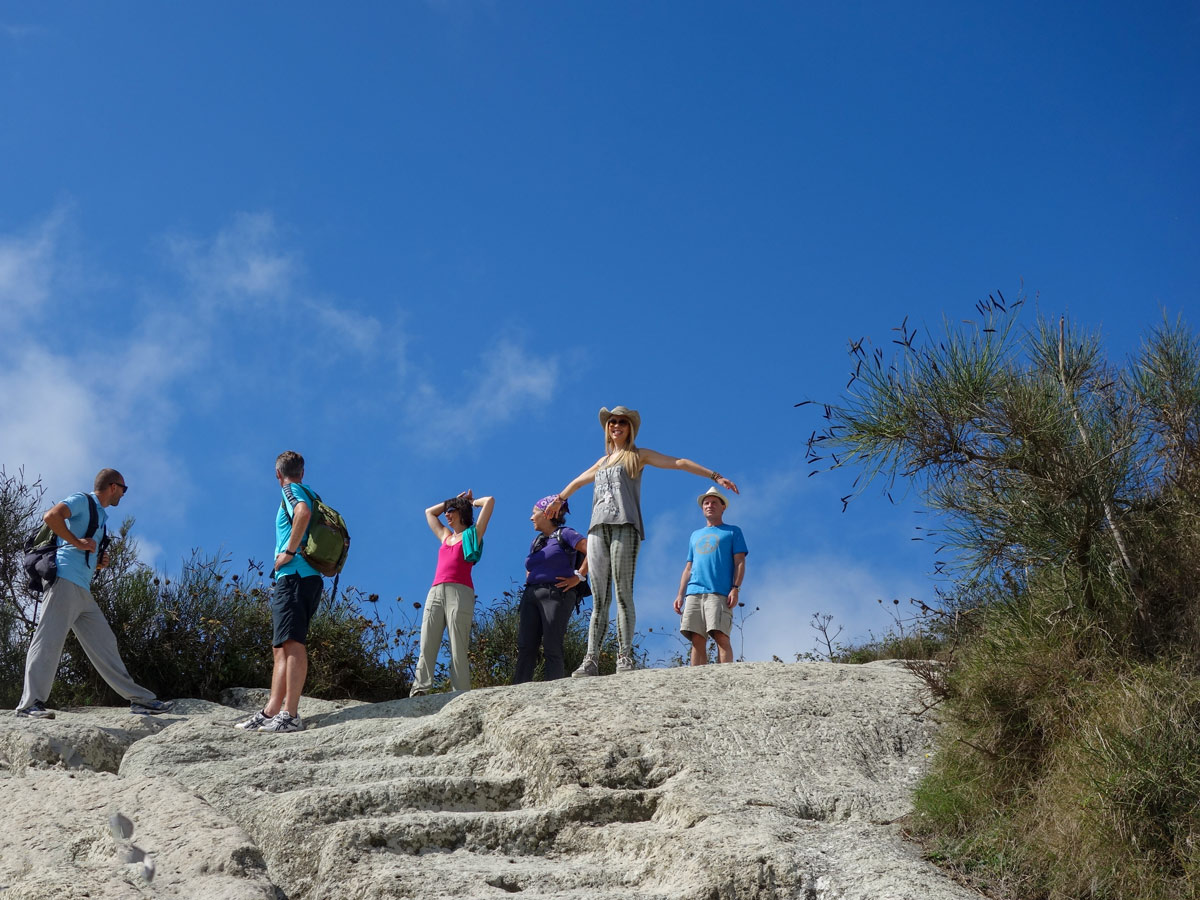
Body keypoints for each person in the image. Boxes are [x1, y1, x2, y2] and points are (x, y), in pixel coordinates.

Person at [548, 406, 740, 677]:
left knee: (623, 593)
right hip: (597, 529)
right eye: (612, 422)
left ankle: (624, 657)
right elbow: (578, 482)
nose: (616, 426)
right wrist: (559, 498)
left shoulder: (636, 456)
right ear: (607, 428)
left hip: (625, 526)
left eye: (622, 422)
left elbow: (679, 462)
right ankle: (590, 660)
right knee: (600, 599)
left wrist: (714, 476)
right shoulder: (602, 462)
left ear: (630, 428)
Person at [16, 469, 174, 719]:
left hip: (81, 589)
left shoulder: (100, 515)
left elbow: (82, 544)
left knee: (105, 643)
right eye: (124, 489)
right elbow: (51, 517)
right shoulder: (82, 500)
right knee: (48, 641)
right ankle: (29, 705)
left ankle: (140, 700)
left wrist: (97, 561)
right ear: (113, 486)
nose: (124, 494)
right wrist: (77, 543)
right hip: (65, 581)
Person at [235, 450, 324, 734]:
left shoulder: (291, 489)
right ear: (302, 470)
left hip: (297, 575)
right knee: (281, 646)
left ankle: (291, 714)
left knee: (293, 643)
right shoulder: (308, 490)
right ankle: (271, 710)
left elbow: (302, 512)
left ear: (278, 474)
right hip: (301, 577)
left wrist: (288, 551)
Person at [410, 490, 495, 696]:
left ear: (461, 512)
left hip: (461, 591)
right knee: (427, 642)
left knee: (458, 645)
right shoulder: (446, 536)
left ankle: (460, 692)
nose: (446, 515)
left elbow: (490, 502)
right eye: (447, 511)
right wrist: (451, 501)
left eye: (451, 511)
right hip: (436, 591)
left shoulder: (473, 534)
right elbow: (429, 512)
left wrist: (470, 502)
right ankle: (420, 689)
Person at [513, 496, 589, 684]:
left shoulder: (566, 534)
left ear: (547, 514)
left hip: (556, 594)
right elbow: (531, 564)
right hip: (531, 594)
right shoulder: (537, 541)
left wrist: (579, 576)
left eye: (534, 513)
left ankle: (554, 689)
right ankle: (518, 689)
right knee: (525, 646)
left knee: (552, 645)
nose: (531, 518)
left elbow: (593, 549)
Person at [674, 486, 748, 665]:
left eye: (714, 502)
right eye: (706, 503)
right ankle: (698, 682)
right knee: (697, 638)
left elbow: (740, 561)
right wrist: (680, 594)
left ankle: (725, 677)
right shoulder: (695, 535)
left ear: (723, 507)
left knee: (720, 634)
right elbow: (688, 567)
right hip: (694, 592)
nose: (709, 505)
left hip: (719, 592)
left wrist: (735, 588)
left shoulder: (732, 531)